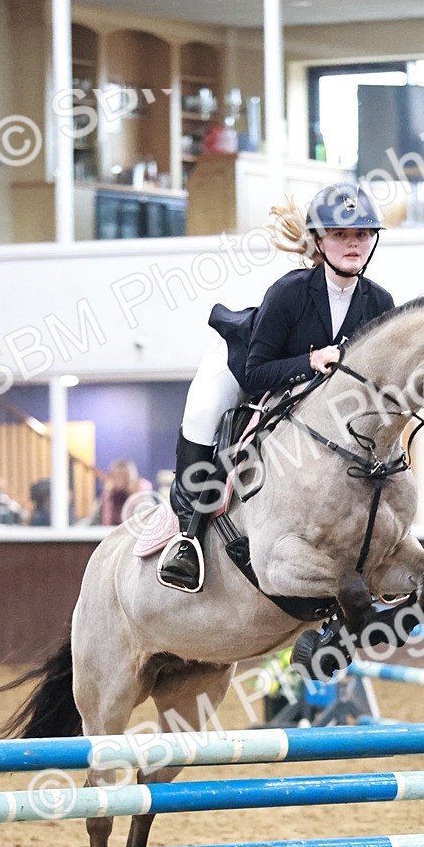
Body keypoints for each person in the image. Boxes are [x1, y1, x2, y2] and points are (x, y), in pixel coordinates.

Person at [158, 182, 395, 593]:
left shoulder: (379, 303)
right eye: (340, 235)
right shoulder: (289, 293)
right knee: (200, 417)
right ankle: (187, 537)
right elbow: (254, 373)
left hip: (305, 391)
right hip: (242, 364)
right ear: (319, 241)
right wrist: (309, 360)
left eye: (362, 234)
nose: (353, 244)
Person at [92, 459, 152, 526]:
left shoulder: (141, 496)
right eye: (112, 476)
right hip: (112, 533)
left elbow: (145, 520)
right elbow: (95, 521)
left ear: (128, 477)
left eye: (117, 476)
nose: (113, 480)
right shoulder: (109, 496)